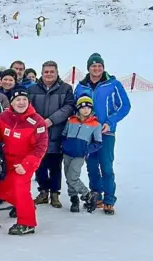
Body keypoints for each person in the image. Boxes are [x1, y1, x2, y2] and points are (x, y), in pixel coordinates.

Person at [73, 53, 131, 214]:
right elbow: (75, 107)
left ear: (103, 67)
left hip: (106, 132)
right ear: (88, 68)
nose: (96, 68)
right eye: (93, 66)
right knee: (91, 166)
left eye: (99, 66)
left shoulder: (113, 84)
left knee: (106, 166)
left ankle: (109, 199)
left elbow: (125, 106)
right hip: (88, 133)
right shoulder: (81, 86)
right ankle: (96, 196)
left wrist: (110, 122)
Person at [0, 87, 48, 235]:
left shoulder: (38, 122)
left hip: (25, 163)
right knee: (1, 189)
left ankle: (27, 223)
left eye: (24, 99)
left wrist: (27, 164)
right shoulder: (4, 116)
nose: (21, 102)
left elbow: (41, 147)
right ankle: (26, 206)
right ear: (11, 102)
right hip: (6, 161)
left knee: (20, 189)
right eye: (18, 99)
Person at [28, 61, 75, 208]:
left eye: (51, 71)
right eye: (46, 72)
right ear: (41, 73)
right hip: (37, 133)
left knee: (55, 165)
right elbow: (27, 107)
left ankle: (55, 193)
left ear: (57, 72)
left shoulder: (66, 88)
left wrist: (51, 120)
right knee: (39, 164)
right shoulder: (32, 89)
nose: (49, 74)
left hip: (57, 132)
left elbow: (69, 107)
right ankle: (43, 192)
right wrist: (37, 122)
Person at [61, 96, 103, 213]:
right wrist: (63, 145)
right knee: (68, 177)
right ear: (78, 108)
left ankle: (87, 195)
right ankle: (74, 199)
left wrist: (85, 150)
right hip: (67, 153)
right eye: (83, 107)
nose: (86, 110)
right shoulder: (71, 120)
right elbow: (64, 134)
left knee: (72, 177)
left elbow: (98, 143)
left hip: (79, 156)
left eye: (88, 107)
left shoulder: (95, 125)